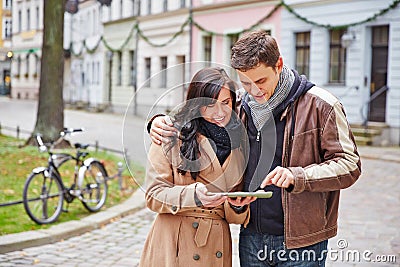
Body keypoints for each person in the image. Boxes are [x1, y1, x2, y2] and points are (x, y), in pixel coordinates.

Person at [148, 30, 362, 266]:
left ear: (278, 65)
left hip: (302, 241)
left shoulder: (322, 105)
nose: (255, 90)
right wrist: (157, 121)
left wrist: (297, 175)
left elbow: (349, 165)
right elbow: (197, 112)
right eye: (246, 82)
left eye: (261, 81)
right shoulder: (237, 104)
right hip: (252, 237)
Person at [140, 67, 254, 267]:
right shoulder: (171, 135)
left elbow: (232, 210)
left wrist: (237, 205)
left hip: (216, 246)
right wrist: (193, 196)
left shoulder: (239, 143)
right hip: (174, 245)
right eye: (210, 105)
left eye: (226, 103)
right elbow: (153, 195)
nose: (219, 113)